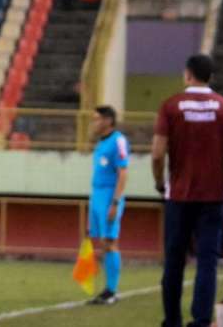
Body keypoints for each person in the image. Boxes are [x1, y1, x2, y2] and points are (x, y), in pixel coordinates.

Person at [152, 54, 223, 327]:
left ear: (187, 74)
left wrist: (160, 182)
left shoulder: (170, 106)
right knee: (207, 261)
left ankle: (172, 320)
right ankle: (201, 321)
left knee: (174, 261)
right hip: (213, 196)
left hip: (178, 195)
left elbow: (157, 154)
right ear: (211, 77)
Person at [86, 105, 129, 306]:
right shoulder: (100, 143)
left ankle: (111, 290)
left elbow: (123, 172)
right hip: (96, 196)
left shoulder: (118, 141)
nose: (94, 123)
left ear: (108, 121)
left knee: (110, 242)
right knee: (101, 242)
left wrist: (115, 202)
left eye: (97, 119)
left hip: (109, 196)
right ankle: (108, 288)